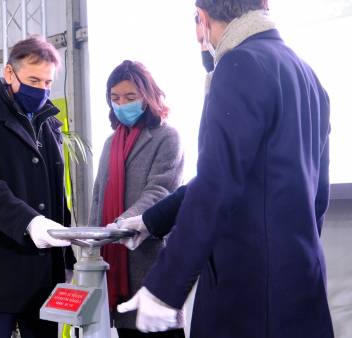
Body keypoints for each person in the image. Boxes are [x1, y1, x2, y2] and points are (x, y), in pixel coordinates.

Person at [115, 1, 333, 337]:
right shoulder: (306, 74)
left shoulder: (239, 64)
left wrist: (165, 286)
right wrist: (149, 220)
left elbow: (218, 182)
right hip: (299, 280)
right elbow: (317, 194)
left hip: (249, 292)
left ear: (202, 18)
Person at [0, 36, 74, 338]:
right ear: (9, 74)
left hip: (44, 273)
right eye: (33, 79)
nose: (42, 90)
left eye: (47, 82)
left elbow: (56, 194)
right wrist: (29, 222)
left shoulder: (49, 126)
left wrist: (67, 255)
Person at [89, 60, 184, 338]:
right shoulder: (111, 142)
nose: (122, 104)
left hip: (149, 259)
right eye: (115, 98)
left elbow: (160, 191)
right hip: (114, 262)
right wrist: (92, 243)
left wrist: (119, 225)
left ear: (148, 97)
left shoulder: (167, 137)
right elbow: (98, 197)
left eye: (130, 97)